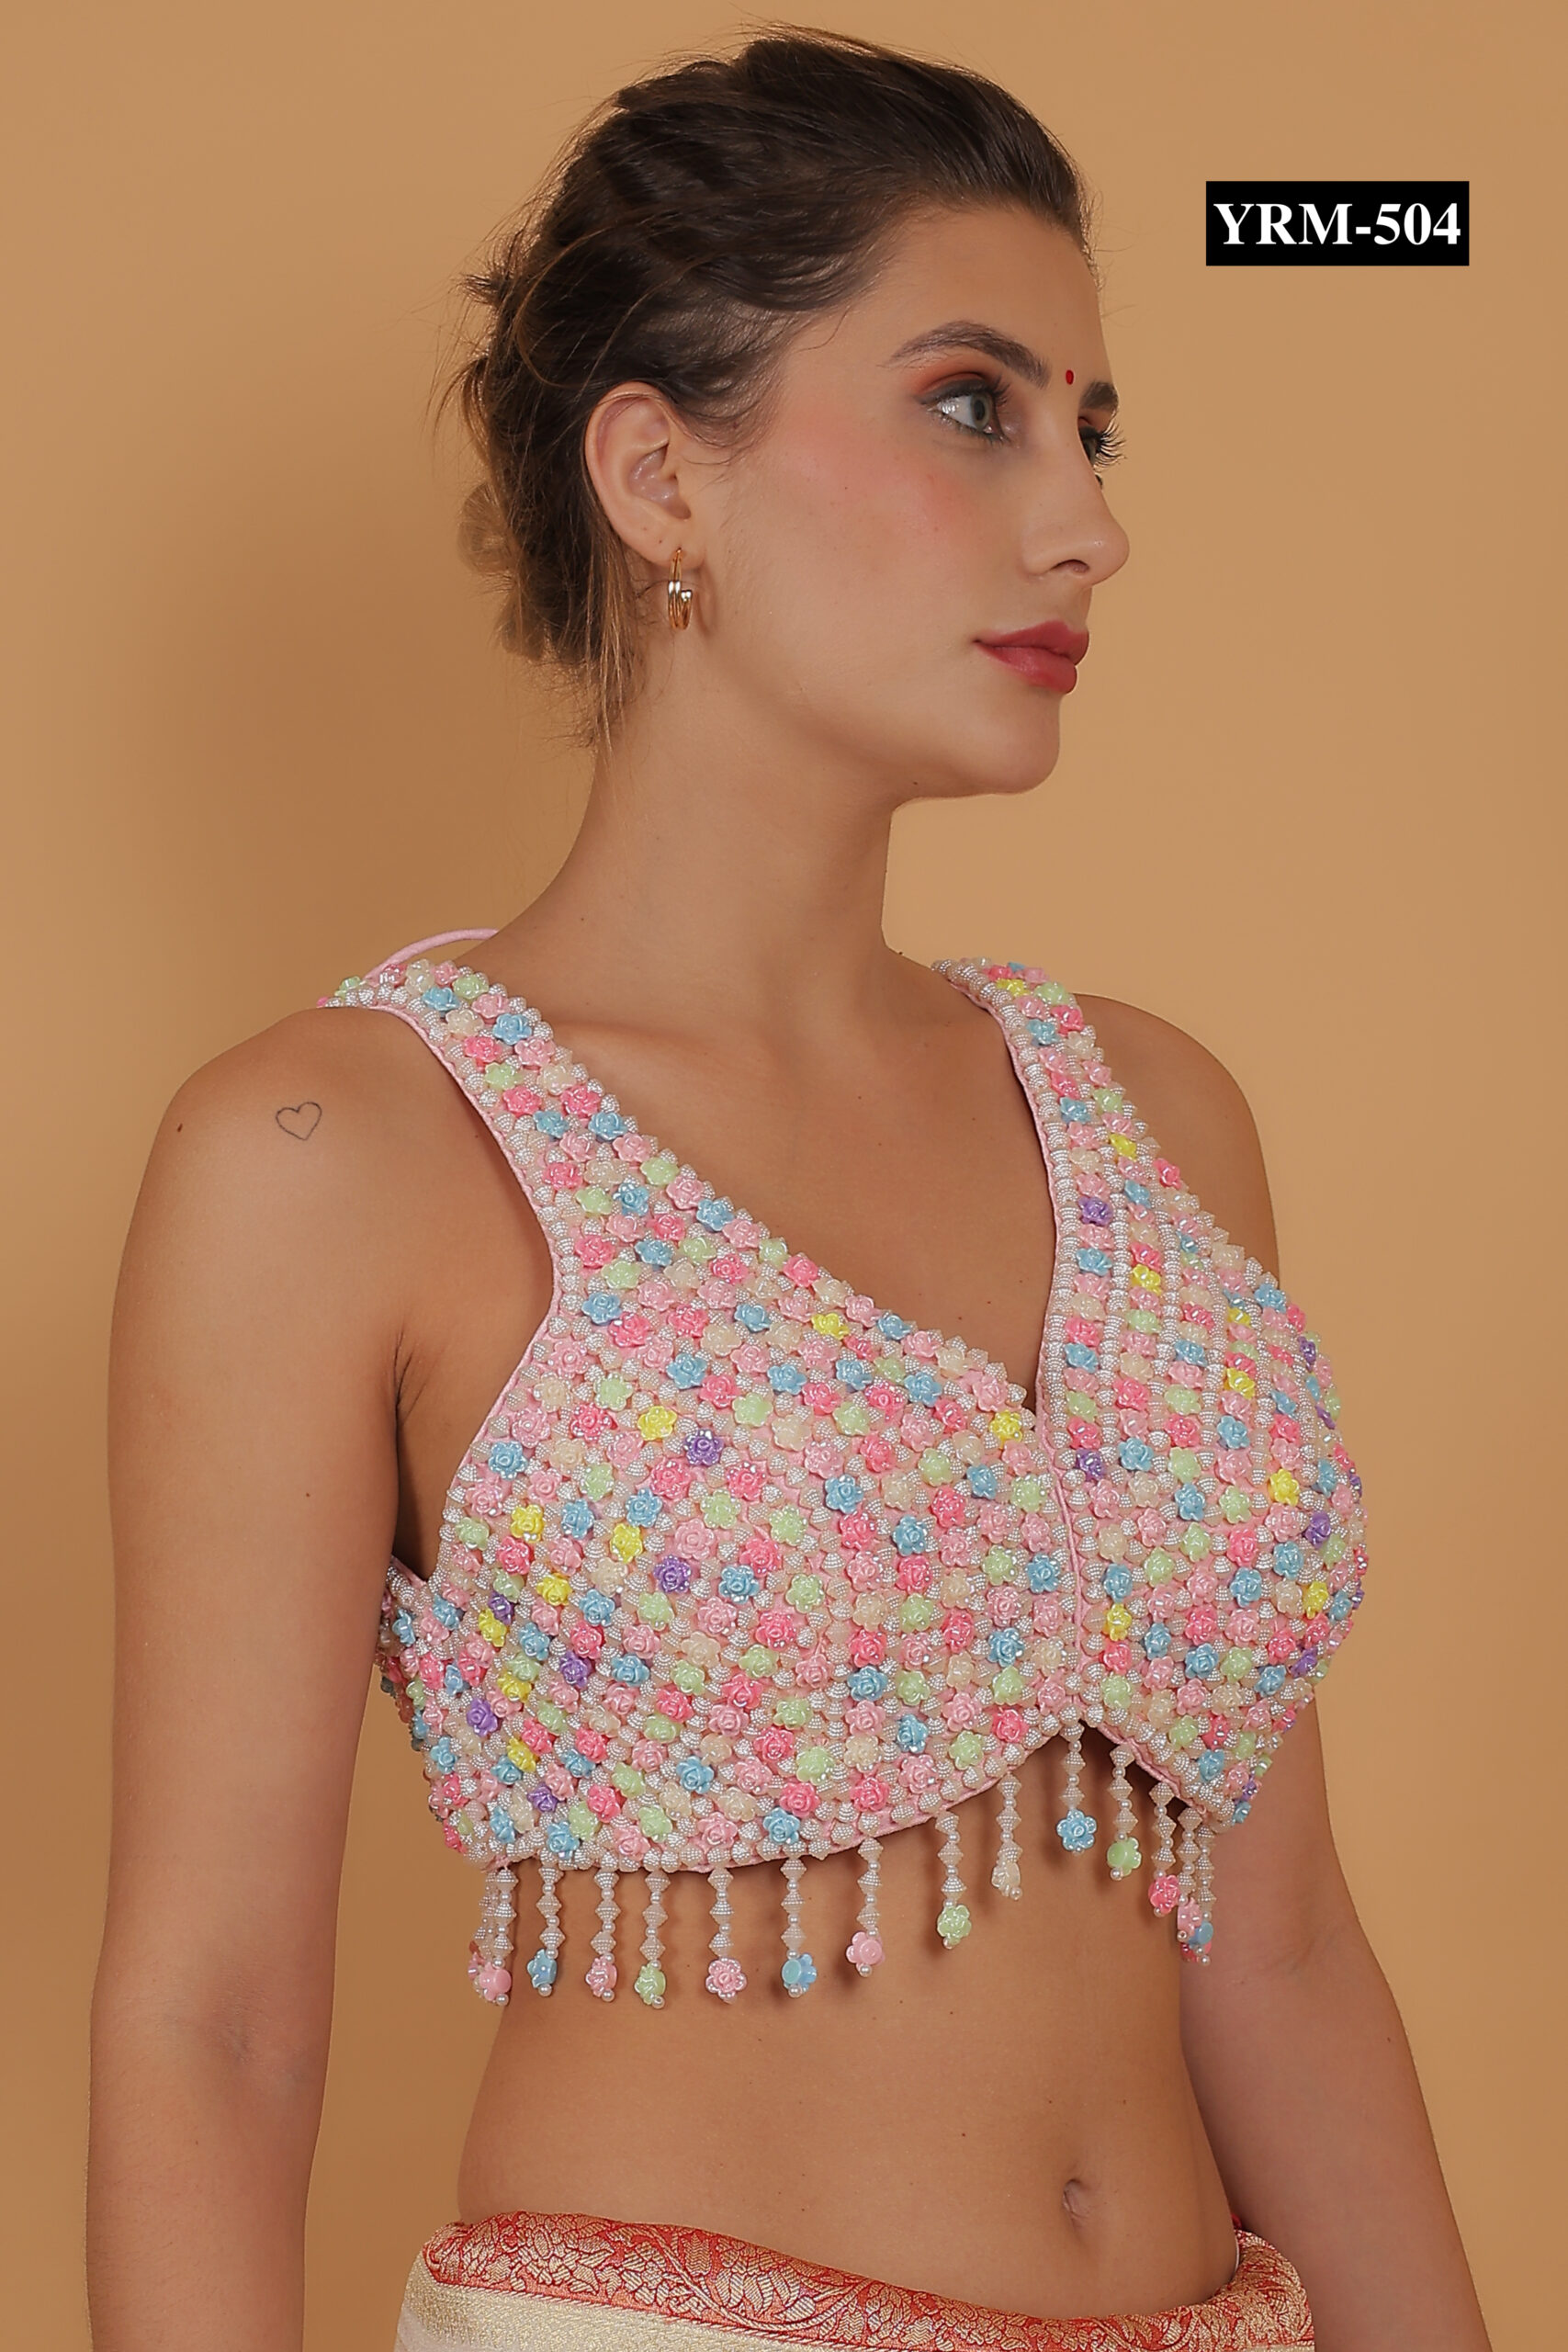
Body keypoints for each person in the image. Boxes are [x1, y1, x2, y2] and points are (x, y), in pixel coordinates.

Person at [86, 29, 1493, 2352]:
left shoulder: (1150, 1113)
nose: (1083, 521)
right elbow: (211, 2022)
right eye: (970, 404)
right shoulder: (347, 1154)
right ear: (659, 474)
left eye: (1090, 427)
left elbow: (1282, 1943)